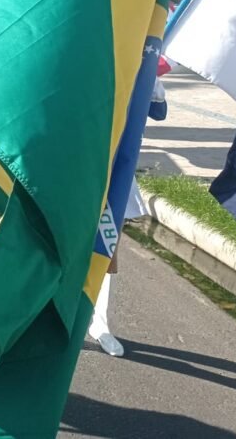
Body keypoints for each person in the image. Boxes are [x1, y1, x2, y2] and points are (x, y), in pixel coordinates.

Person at [88, 74, 167, 357]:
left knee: (106, 249)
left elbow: (159, 112)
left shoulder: (140, 65)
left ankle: (98, 323)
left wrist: (153, 85)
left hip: (117, 175)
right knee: (61, 246)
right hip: (77, 167)